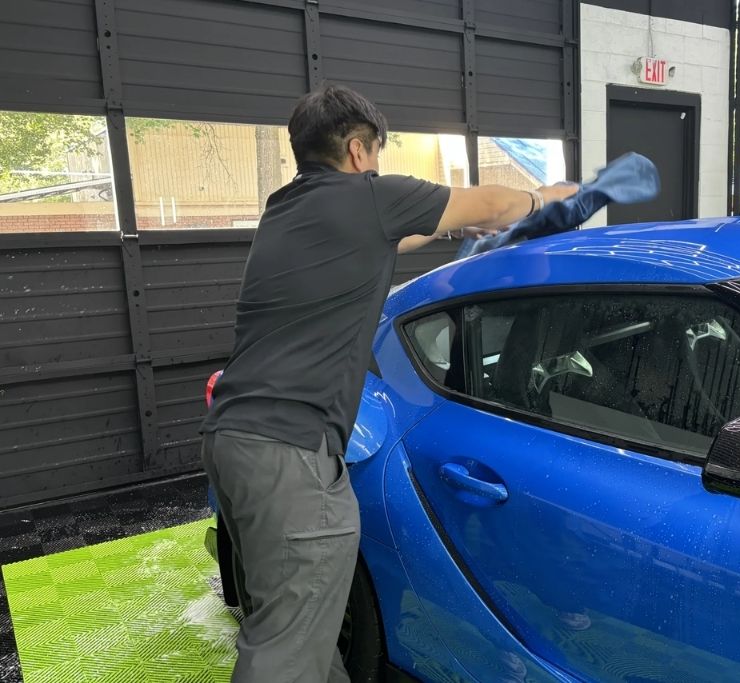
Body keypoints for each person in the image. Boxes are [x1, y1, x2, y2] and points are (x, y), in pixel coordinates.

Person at [198, 83, 578, 683]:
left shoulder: (289, 206)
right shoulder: (366, 198)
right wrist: (545, 198)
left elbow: (399, 236)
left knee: (302, 626)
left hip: (234, 441)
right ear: (357, 150)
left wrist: (456, 233)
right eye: (377, 152)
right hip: (289, 456)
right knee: (283, 647)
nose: (378, 165)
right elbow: (491, 205)